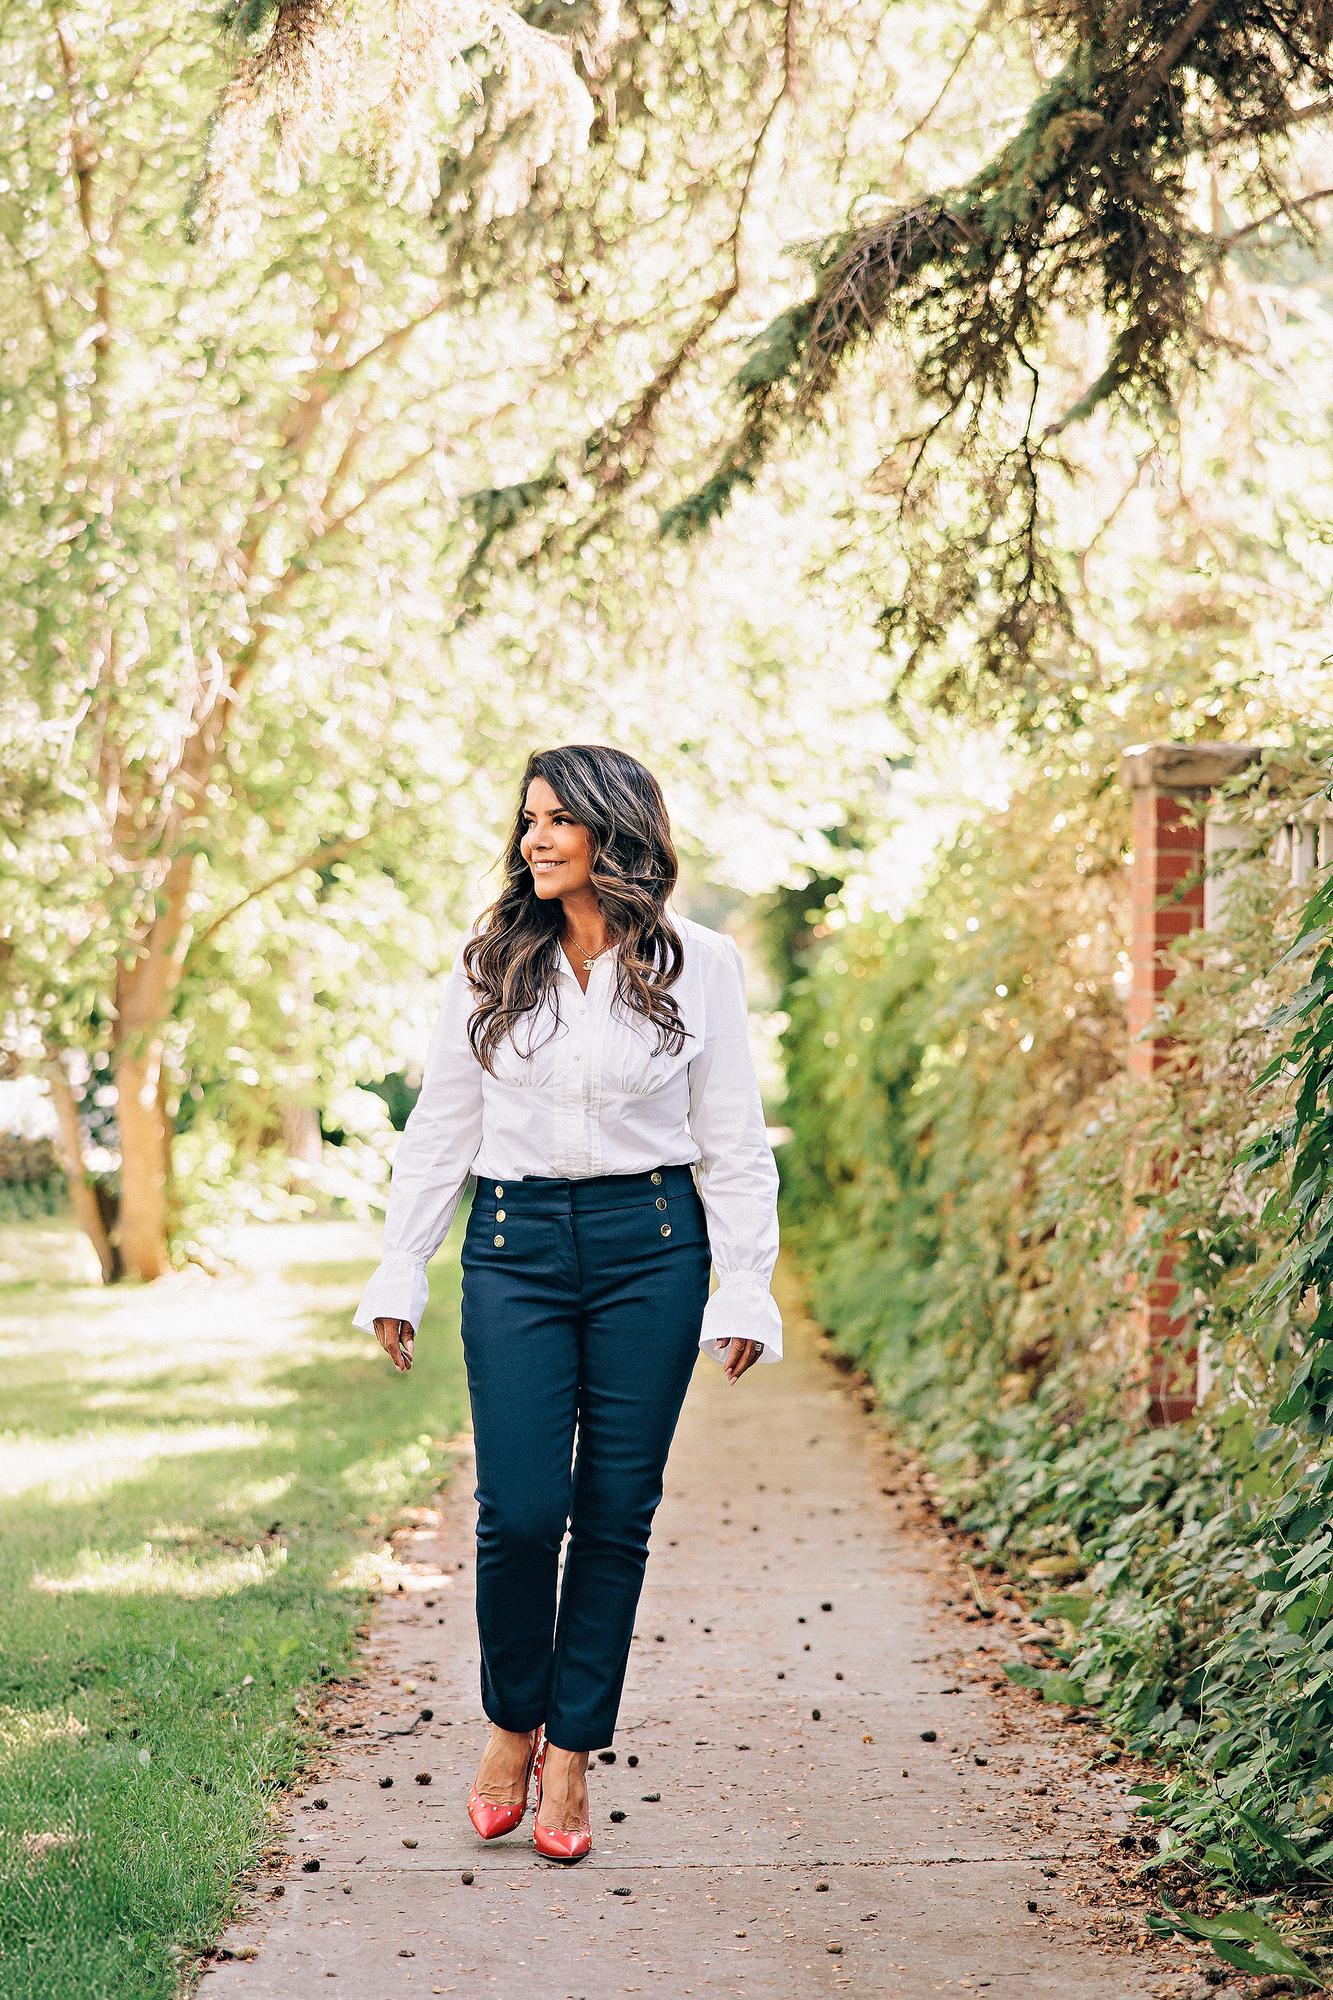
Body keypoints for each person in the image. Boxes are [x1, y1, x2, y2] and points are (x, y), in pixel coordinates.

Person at [352, 742, 782, 1864]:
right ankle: (510, 1721)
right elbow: (441, 1122)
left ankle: (572, 1751)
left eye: (557, 819)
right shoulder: (489, 960)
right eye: (528, 819)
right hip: (514, 1246)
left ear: (613, 830)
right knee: (521, 1510)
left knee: (615, 1513)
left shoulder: (702, 963)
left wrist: (743, 1283)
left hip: (652, 1248)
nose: (535, 838)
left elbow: (731, 1137)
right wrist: (403, 1265)